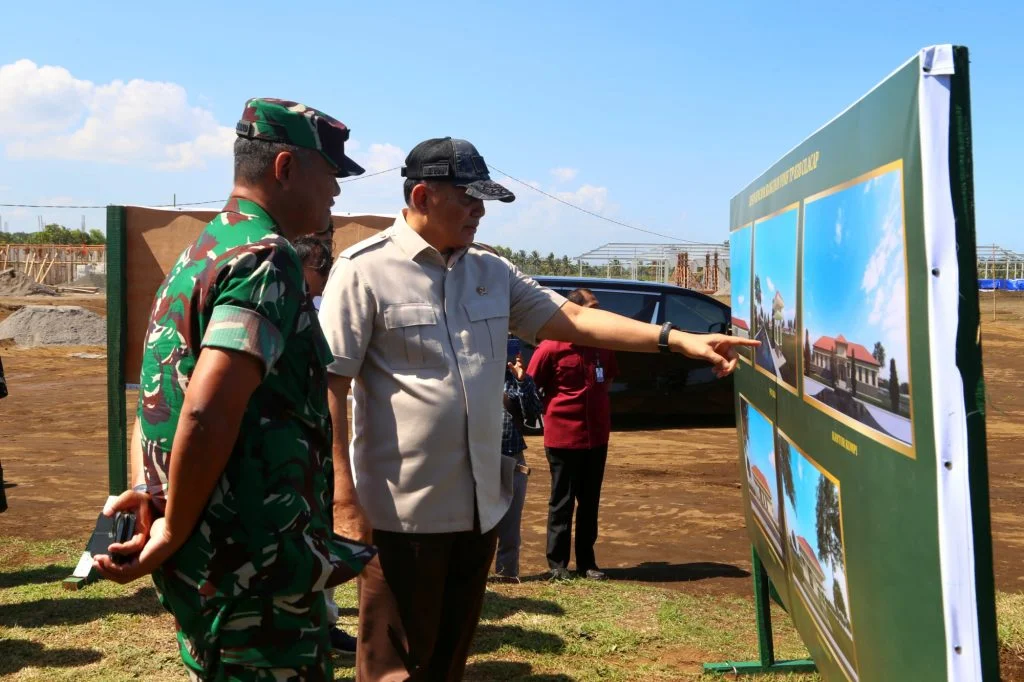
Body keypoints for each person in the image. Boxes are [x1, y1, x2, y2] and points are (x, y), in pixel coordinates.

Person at [319, 135, 758, 681]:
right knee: (394, 668)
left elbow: (575, 320)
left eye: (483, 201)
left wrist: (678, 339)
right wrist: (342, 497)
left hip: (478, 510)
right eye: (468, 199)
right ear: (422, 196)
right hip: (401, 513)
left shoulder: (491, 272)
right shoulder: (363, 270)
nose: (480, 212)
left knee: (449, 662)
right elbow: (330, 385)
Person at [92, 98, 376, 681]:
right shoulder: (265, 259)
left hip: (213, 563)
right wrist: (170, 526)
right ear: (285, 167)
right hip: (255, 567)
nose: (335, 194)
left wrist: (153, 495)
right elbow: (204, 410)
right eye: (331, 174)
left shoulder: (200, 254)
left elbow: (157, 396)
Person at [293, 235, 358, 655]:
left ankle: (322, 622)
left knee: (320, 535)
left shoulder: (316, 309)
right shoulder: (280, 304)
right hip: (290, 446)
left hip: (315, 442)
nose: (323, 279)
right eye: (320, 270)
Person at [527, 288, 617, 581]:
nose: (598, 312)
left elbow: (608, 378)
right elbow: (530, 387)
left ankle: (587, 563)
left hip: (597, 437)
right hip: (563, 437)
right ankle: (558, 564)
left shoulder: (603, 345)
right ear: (575, 310)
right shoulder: (551, 347)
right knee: (562, 501)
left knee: (590, 502)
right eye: (593, 307)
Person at [492, 348, 542, 582]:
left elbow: (534, 415)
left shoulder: (518, 380)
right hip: (477, 457)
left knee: (510, 525)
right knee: (474, 525)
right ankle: (472, 579)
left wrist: (522, 380)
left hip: (512, 457)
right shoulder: (472, 378)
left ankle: (507, 575)